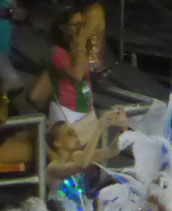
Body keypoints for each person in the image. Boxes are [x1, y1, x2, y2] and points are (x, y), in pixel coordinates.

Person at [44, 7, 98, 144]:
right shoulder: (56, 52)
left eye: (82, 24)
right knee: (69, 152)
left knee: (89, 153)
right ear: (63, 28)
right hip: (66, 110)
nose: (80, 29)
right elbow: (77, 76)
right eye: (75, 25)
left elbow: (85, 75)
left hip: (86, 107)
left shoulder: (81, 50)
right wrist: (80, 45)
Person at [45, 109, 125, 190]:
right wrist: (98, 129)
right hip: (62, 198)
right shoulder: (52, 167)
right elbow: (83, 163)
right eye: (70, 134)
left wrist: (122, 129)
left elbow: (111, 151)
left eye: (74, 132)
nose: (76, 135)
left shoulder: (78, 156)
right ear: (58, 143)